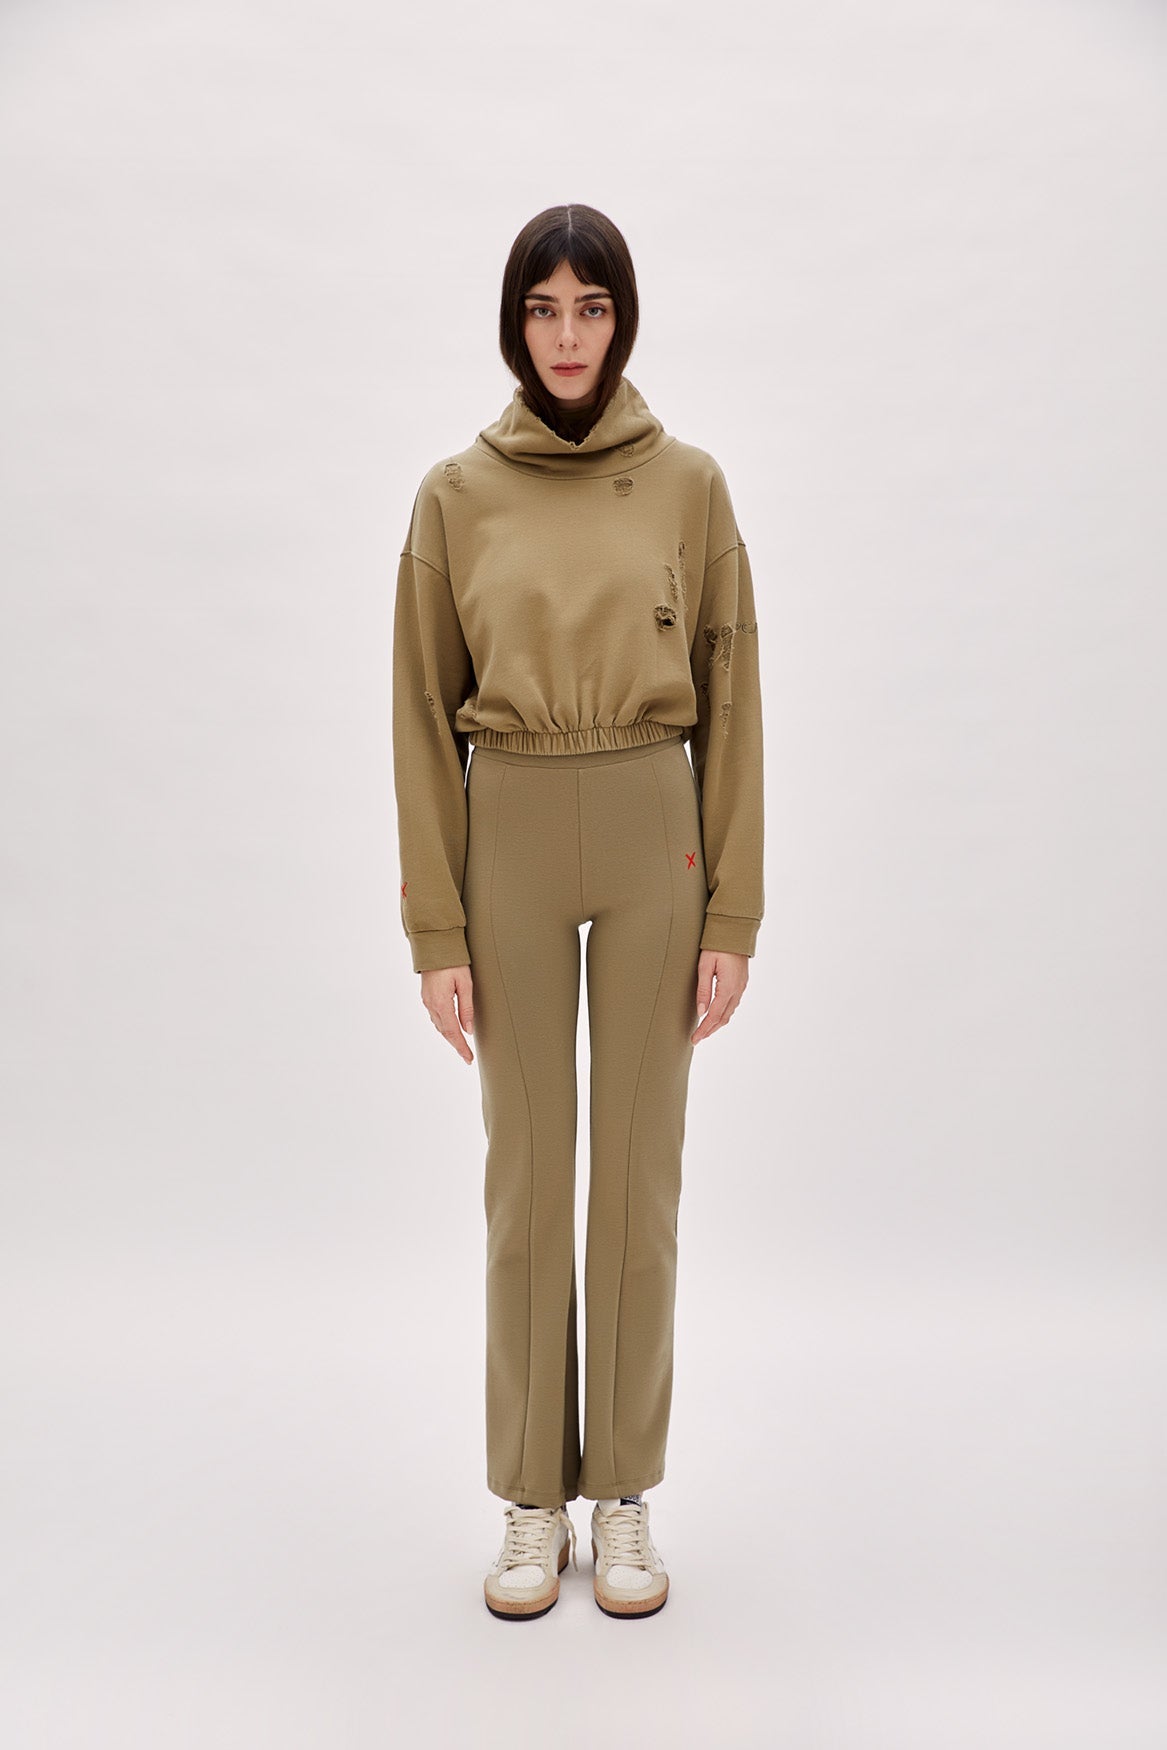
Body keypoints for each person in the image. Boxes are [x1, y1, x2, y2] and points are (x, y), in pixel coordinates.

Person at [391, 204, 764, 1620]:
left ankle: (624, 1495)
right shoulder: (454, 496)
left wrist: (735, 911)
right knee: (529, 1175)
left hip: (656, 822)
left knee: (640, 1177)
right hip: (512, 831)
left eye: (591, 308)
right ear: (515, 323)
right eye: (543, 309)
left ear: (623, 320)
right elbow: (419, 716)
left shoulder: (691, 487)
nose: (567, 335)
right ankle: (531, 1498)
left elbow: (736, 701)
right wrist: (437, 929)